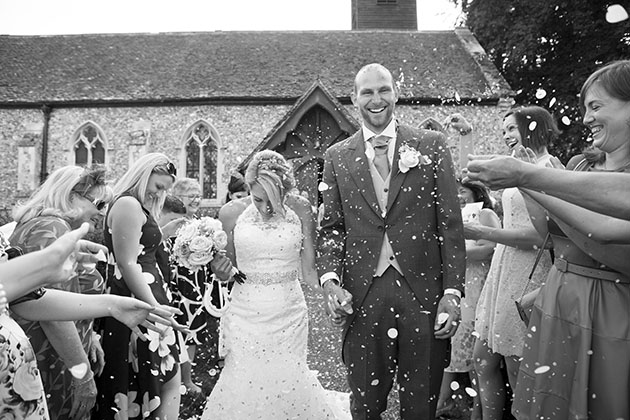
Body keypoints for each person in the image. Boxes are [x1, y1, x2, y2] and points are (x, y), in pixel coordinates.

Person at [317, 63, 466, 420]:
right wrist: (330, 282)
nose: (376, 99)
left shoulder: (431, 145)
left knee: (421, 406)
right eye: (367, 92)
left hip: (424, 295)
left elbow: (450, 225)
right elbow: (332, 230)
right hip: (364, 298)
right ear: (354, 99)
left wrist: (452, 292)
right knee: (366, 406)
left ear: (395, 94)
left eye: (383, 89)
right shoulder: (337, 157)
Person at [505, 60, 630, 420]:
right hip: (560, 297)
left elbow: (602, 239)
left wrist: (530, 180)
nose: (586, 118)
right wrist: (530, 189)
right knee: (552, 403)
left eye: (596, 106)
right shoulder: (578, 166)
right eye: (584, 108)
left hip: (611, 308)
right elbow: (548, 234)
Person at [202, 150, 348, 419]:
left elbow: (309, 267)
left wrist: (331, 291)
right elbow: (228, 271)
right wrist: (220, 269)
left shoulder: (301, 207)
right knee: (243, 376)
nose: (266, 209)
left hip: (288, 310)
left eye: (273, 201)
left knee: (288, 376)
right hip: (245, 310)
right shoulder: (231, 213)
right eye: (258, 199)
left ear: (286, 190)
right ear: (247, 187)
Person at [0, 223, 181, 420]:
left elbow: (25, 301)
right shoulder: (49, 227)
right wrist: (45, 262)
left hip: (13, 366)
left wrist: (112, 305)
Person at [465, 106, 556, 420]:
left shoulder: (549, 167)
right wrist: (467, 138)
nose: (505, 136)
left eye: (511, 129)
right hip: (503, 268)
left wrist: (479, 231)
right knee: (483, 359)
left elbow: (541, 236)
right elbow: (473, 175)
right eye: (503, 130)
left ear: (534, 129)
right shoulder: (517, 168)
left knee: (518, 365)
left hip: (529, 270)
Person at [8, 166, 112, 420]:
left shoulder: (42, 224)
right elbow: (49, 310)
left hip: (55, 350)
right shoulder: (53, 229)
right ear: (70, 195)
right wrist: (82, 372)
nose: (102, 212)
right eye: (98, 203)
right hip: (51, 357)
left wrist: (90, 337)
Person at [94, 153, 188, 420]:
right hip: (136, 299)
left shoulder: (139, 207)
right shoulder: (127, 204)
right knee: (144, 382)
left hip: (150, 296)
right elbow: (127, 263)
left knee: (167, 376)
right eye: (158, 187)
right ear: (143, 175)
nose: (160, 194)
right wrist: (152, 307)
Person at [436, 178, 501, 420]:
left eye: (462, 191)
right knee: (454, 344)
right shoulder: (456, 216)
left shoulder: (485, 214)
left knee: (475, 347)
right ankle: (447, 405)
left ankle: (477, 410)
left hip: (477, 285)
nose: (459, 196)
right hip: (457, 284)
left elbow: (492, 247)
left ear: (477, 192)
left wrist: (456, 253)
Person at [170, 178, 232, 395]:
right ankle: (173, 378)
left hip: (197, 284)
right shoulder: (171, 223)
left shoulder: (201, 224)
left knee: (193, 331)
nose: (197, 199)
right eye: (191, 195)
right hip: (177, 284)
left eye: (199, 194)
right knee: (176, 330)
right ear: (178, 198)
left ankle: (187, 379)